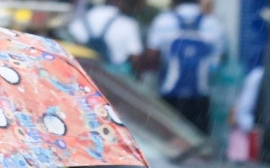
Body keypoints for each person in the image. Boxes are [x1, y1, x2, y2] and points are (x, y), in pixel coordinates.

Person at [147, 0, 226, 132]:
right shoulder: (214, 24)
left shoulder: (163, 21)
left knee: (168, 140)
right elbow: (218, 62)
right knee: (197, 142)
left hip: (169, 97)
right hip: (200, 98)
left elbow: (152, 58)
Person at [65, 0, 148, 78]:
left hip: (76, 68)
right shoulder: (130, 25)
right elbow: (135, 58)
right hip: (106, 78)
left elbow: (73, 33)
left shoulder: (96, 12)